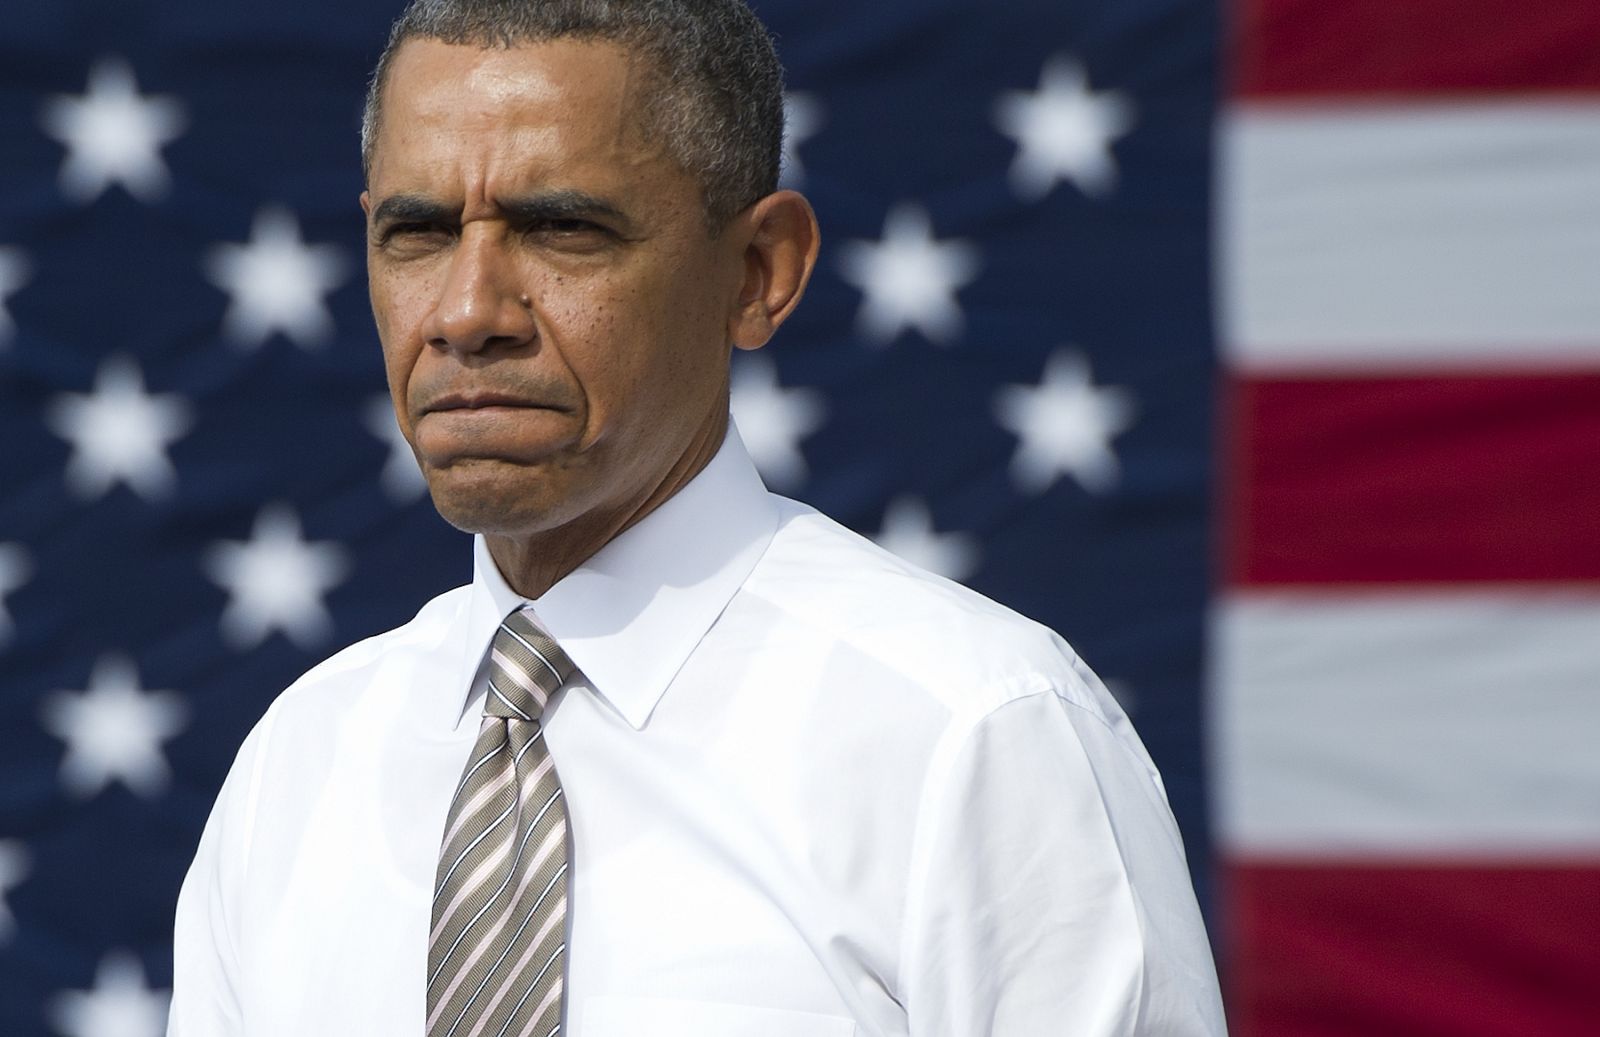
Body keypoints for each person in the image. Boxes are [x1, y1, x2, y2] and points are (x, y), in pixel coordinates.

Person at [169, 0, 1226, 1033]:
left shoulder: (979, 734)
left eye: (561, 228)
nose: (466, 311)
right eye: (418, 232)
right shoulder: (297, 767)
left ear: (760, 271)